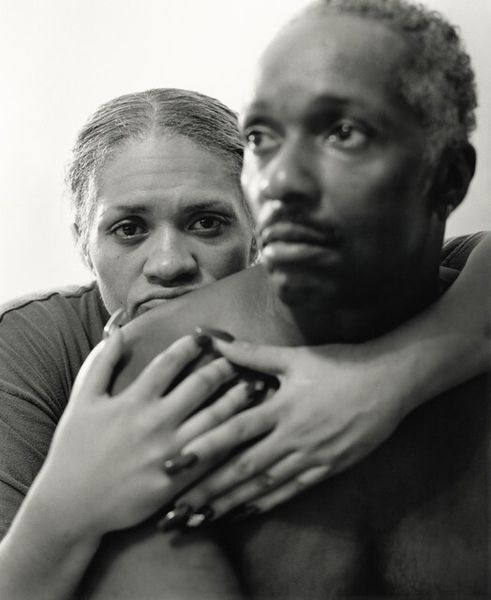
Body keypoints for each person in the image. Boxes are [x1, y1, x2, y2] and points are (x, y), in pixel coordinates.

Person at [0, 70, 488, 600]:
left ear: (258, 233)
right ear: (83, 242)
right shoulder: (32, 345)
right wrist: (68, 504)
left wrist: (385, 383)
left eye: (207, 223)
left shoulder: (339, 302)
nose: (169, 263)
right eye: (129, 229)